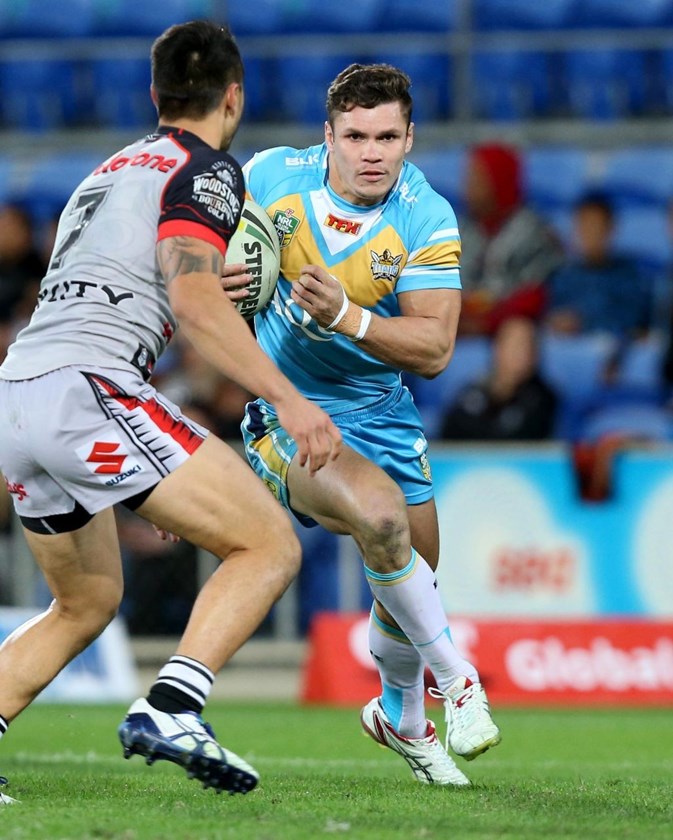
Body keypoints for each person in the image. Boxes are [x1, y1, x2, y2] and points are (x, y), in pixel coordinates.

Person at [0, 20, 341, 803]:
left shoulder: (108, 169)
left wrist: (140, 467)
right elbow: (191, 300)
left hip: (21, 389)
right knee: (267, 546)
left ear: (155, 96)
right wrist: (289, 401)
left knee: (84, 602)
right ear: (234, 95)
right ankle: (172, 706)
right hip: (90, 387)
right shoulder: (209, 170)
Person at [235, 63, 501, 787]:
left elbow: (435, 349)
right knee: (381, 523)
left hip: (382, 410)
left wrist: (345, 316)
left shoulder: (425, 215)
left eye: (387, 136)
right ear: (328, 136)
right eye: (354, 135)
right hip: (288, 410)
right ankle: (461, 684)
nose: (371, 152)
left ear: (410, 138)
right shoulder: (268, 180)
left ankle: (401, 721)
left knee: (412, 577)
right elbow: (193, 278)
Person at [458, 143, 564, 336]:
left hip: (512, 330)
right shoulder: (462, 229)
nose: (468, 186)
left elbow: (534, 296)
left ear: (498, 180)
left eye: (477, 178)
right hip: (459, 326)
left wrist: (488, 321)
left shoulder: (534, 232)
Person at [544, 191, 652, 339]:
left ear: (611, 229)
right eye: (584, 226)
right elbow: (549, 319)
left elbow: (633, 323)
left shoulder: (629, 277)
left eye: (596, 226)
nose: (590, 234)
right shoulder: (562, 278)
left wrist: (583, 324)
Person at [441, 316, 557, 441]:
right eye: (512, 344)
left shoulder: (544, 399)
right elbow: (450, 433)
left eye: (525, 346)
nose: (519, 353)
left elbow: (523, 439)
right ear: (496, 348)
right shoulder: (473, 392)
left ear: (535, 355)